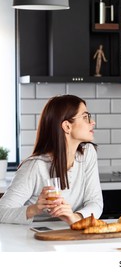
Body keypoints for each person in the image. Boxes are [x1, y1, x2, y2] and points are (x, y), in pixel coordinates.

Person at [0, 95, 103, 225]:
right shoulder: (35, 166)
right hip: (34, 239)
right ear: (67, 126)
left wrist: (75, 217)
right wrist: (35, 209)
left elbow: (95, 202)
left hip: (71, 234)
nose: (92, 122)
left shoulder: (88, 154)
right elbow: (1, 212)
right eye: (85, 117)